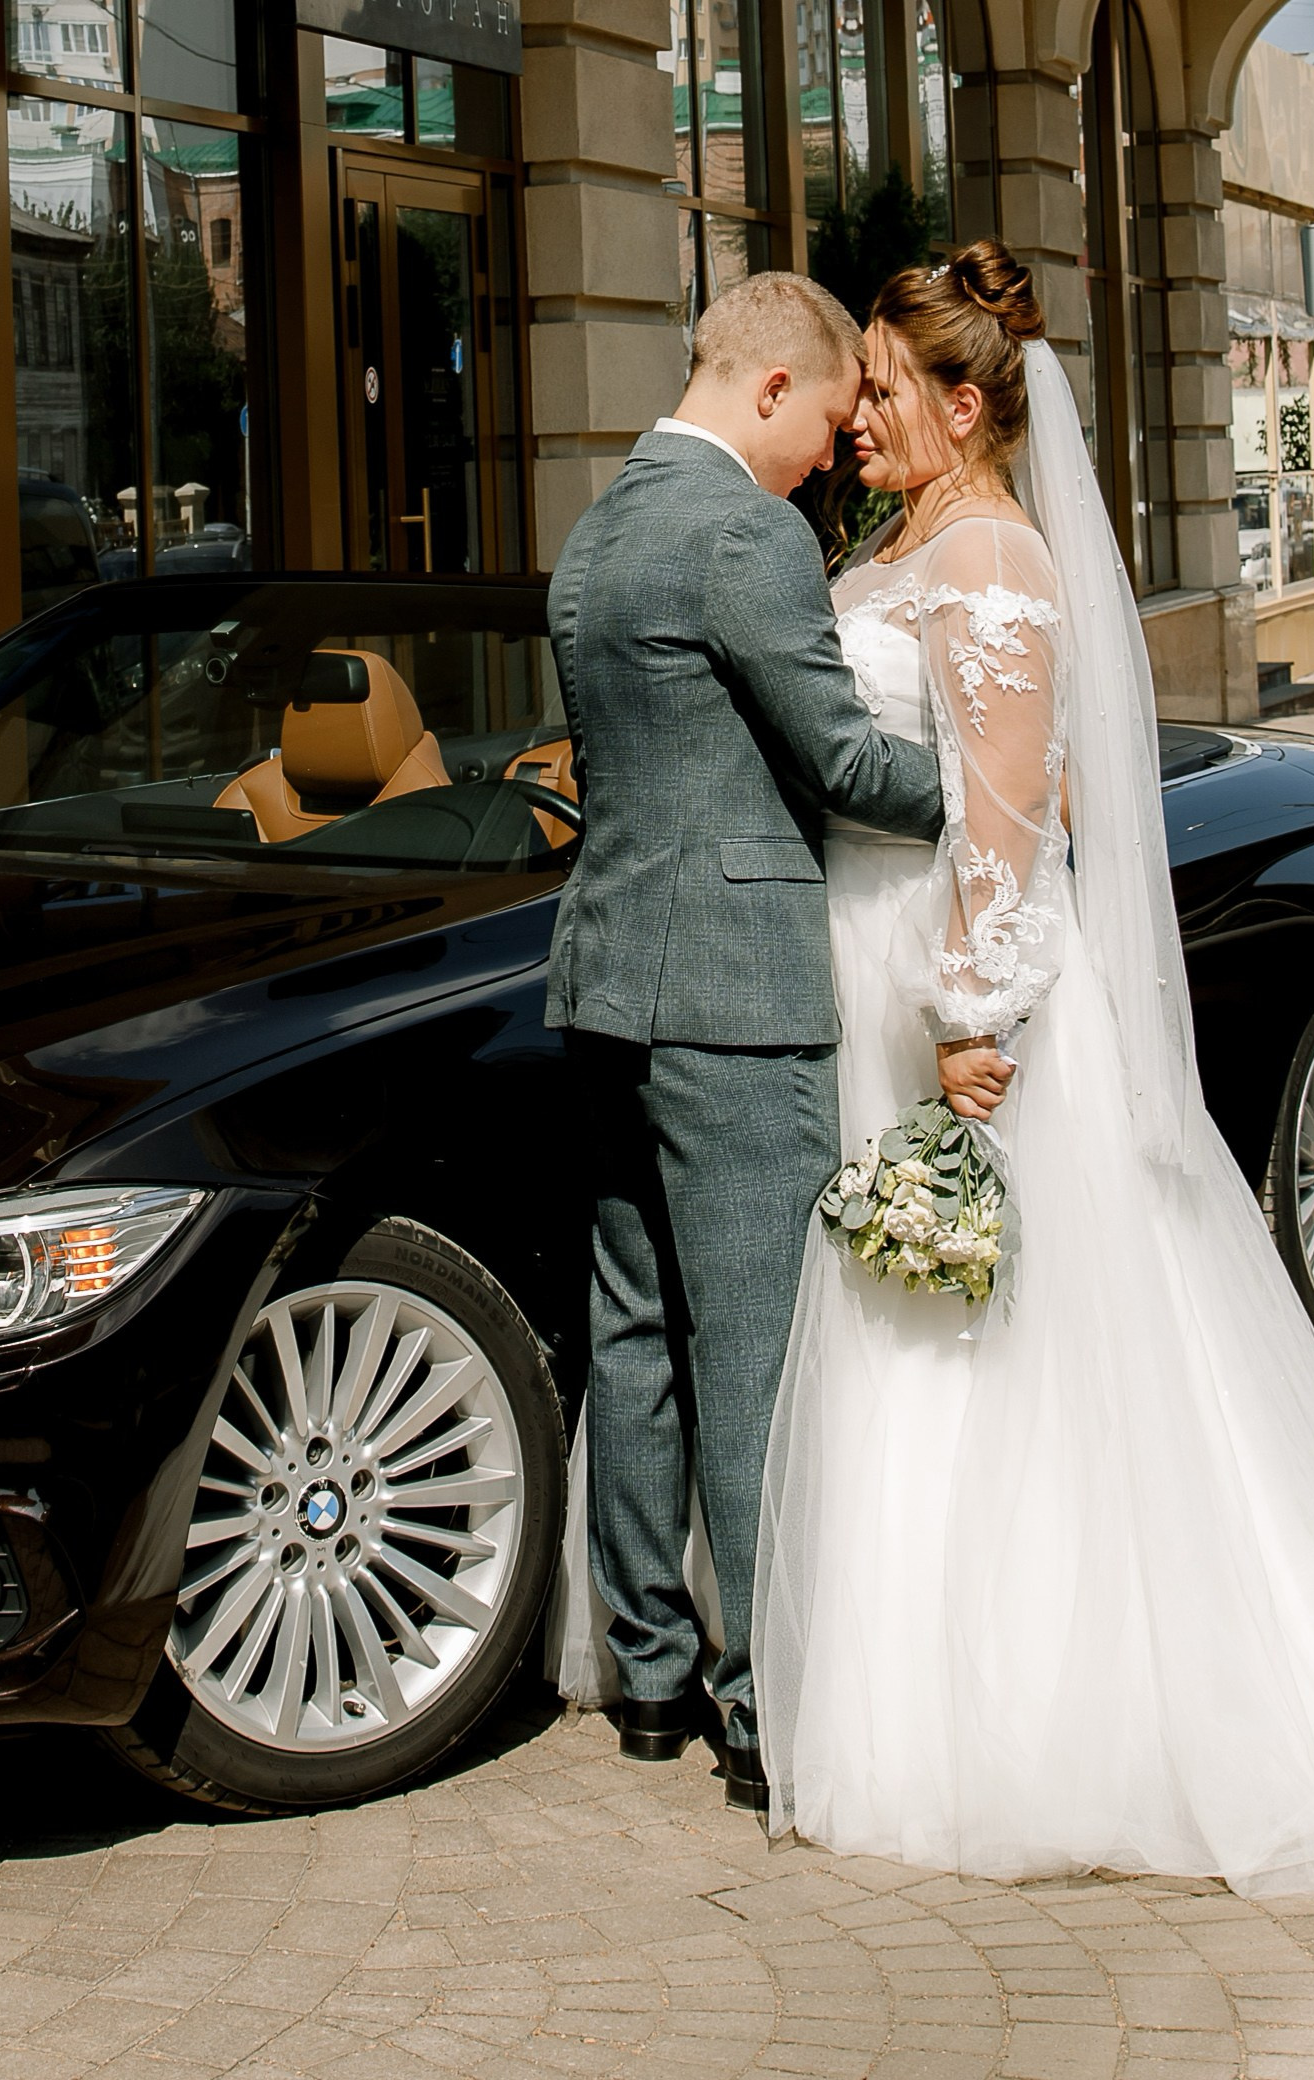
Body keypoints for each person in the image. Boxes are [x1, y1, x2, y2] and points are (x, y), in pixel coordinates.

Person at [753, 240, 1314, 1895]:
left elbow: (1007, 809)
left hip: (959, 1006)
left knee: (994, 1339)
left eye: (889, 393)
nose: (858, 418)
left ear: (968, 403)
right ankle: (915, 1685)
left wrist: (973, 1012)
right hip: (881, 972)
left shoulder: (990, 560)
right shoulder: (915, 534)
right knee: (918, 1327)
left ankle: (1030, 1716)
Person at [546, 268, 947, 1813]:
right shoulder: (742, 531)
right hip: (731, 992)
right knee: (759, 1351)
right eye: (829, 421)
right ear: (771, 387)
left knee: (636, 1331)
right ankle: (767, 1700)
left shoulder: (598, 528)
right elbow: (844, 761)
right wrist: (990, 800)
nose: (827, 458)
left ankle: (648, 1670)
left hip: (605, 982)